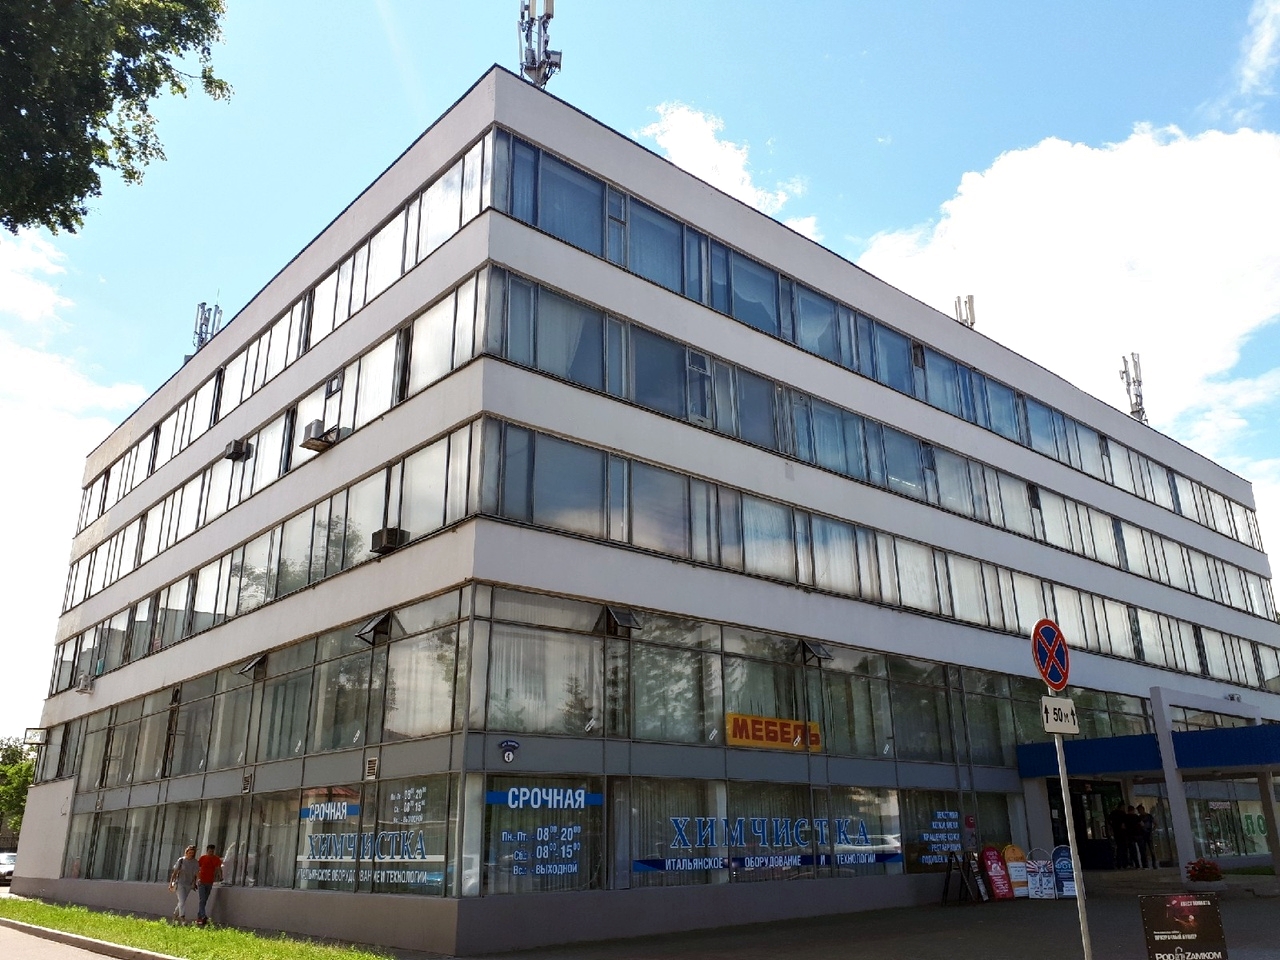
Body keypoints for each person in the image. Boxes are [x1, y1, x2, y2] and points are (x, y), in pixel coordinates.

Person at [168, 845, 199, 923]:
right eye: (189, 852)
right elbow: (175, 873)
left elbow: (196, 874)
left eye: (192, 853)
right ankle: (182, 917)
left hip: (189, 884)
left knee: (182, 901)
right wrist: (171, 883)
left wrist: (195, 883)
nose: (191, 854)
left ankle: (175, 915)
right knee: (182, 901)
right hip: (180, 883)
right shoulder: (181, 860)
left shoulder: (195, 862)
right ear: (186, 852)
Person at [196, 843, 223, 927]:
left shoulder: (216, 859)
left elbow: (218, 868)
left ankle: (200, 916)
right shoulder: (203, 858)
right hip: (202, 881)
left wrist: (220, 876)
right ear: (207, 851)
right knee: (202, 899)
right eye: (210, 851)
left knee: (205, 899)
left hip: (210, 881)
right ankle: (203, 916)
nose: (211, 853)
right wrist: (197, 878)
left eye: (212, 851)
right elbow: (197, 868)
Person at [1108, 802, 1130, 869]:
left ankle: (1119, 864)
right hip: (1122, 833)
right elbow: (1124, 824)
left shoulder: (1112, 813)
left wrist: (1111, 830)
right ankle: (1125, 863)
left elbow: (1109, 822)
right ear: (1122, 807)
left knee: (1119, 848)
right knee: (1124, 848)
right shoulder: (1122, 814)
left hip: (1116, 833)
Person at [1137, 804, 1157, 868]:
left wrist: (1152, 830)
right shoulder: (1139, 817)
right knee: (1143, 850)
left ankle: (1153, 863)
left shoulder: (1149, 816)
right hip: (1142, 834)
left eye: (1139, 810)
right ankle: (1145, 864)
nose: (1139, 812)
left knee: (1151, 849)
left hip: (1148, 834)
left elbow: (1155, 823)